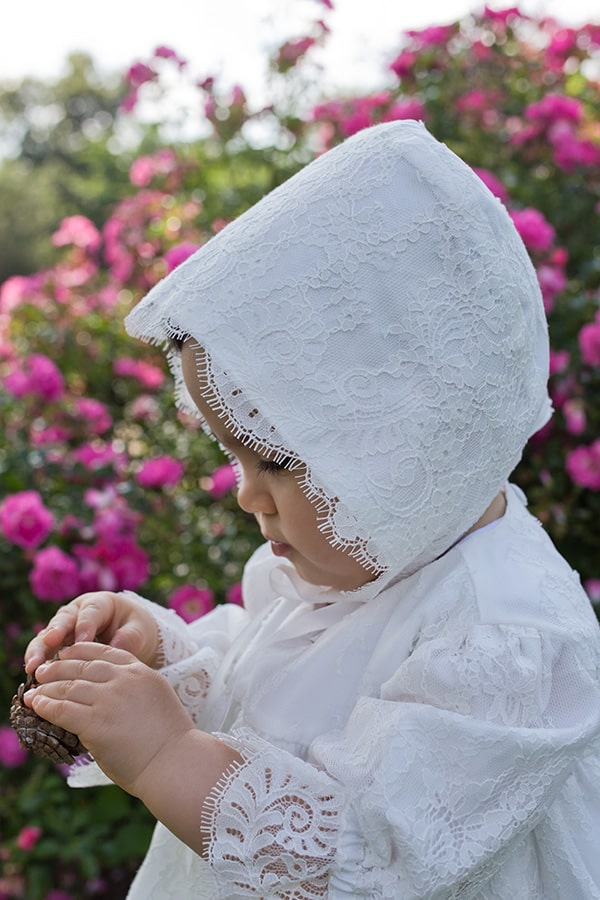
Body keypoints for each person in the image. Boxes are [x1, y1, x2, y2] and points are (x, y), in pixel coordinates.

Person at [23, 121, 600, 899]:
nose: (245, 493)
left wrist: (166, 756)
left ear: (403, 442)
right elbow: (264, 689)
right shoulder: (352, 560)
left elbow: (379, 862)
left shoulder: (503, 635)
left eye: (276, 460)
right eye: (235, 456)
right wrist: (160, 653)